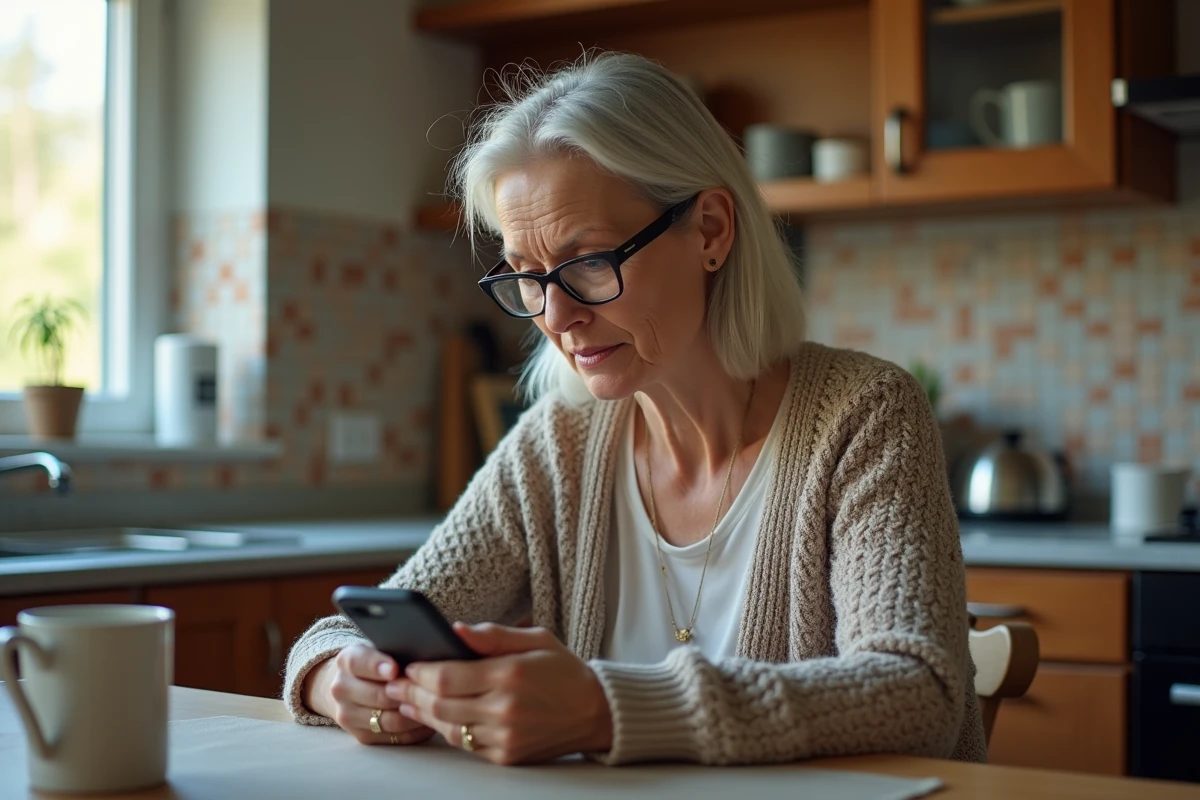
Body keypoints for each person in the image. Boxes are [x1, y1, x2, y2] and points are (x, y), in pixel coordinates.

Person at [284, 51, 986, 767]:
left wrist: (601, 709)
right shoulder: (558, 444)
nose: (555, 317)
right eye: (527, 277)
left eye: (589, 261)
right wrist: (337, 678)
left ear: (711, 230)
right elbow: (354, 630)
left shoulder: (864, 414)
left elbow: (918, 692)